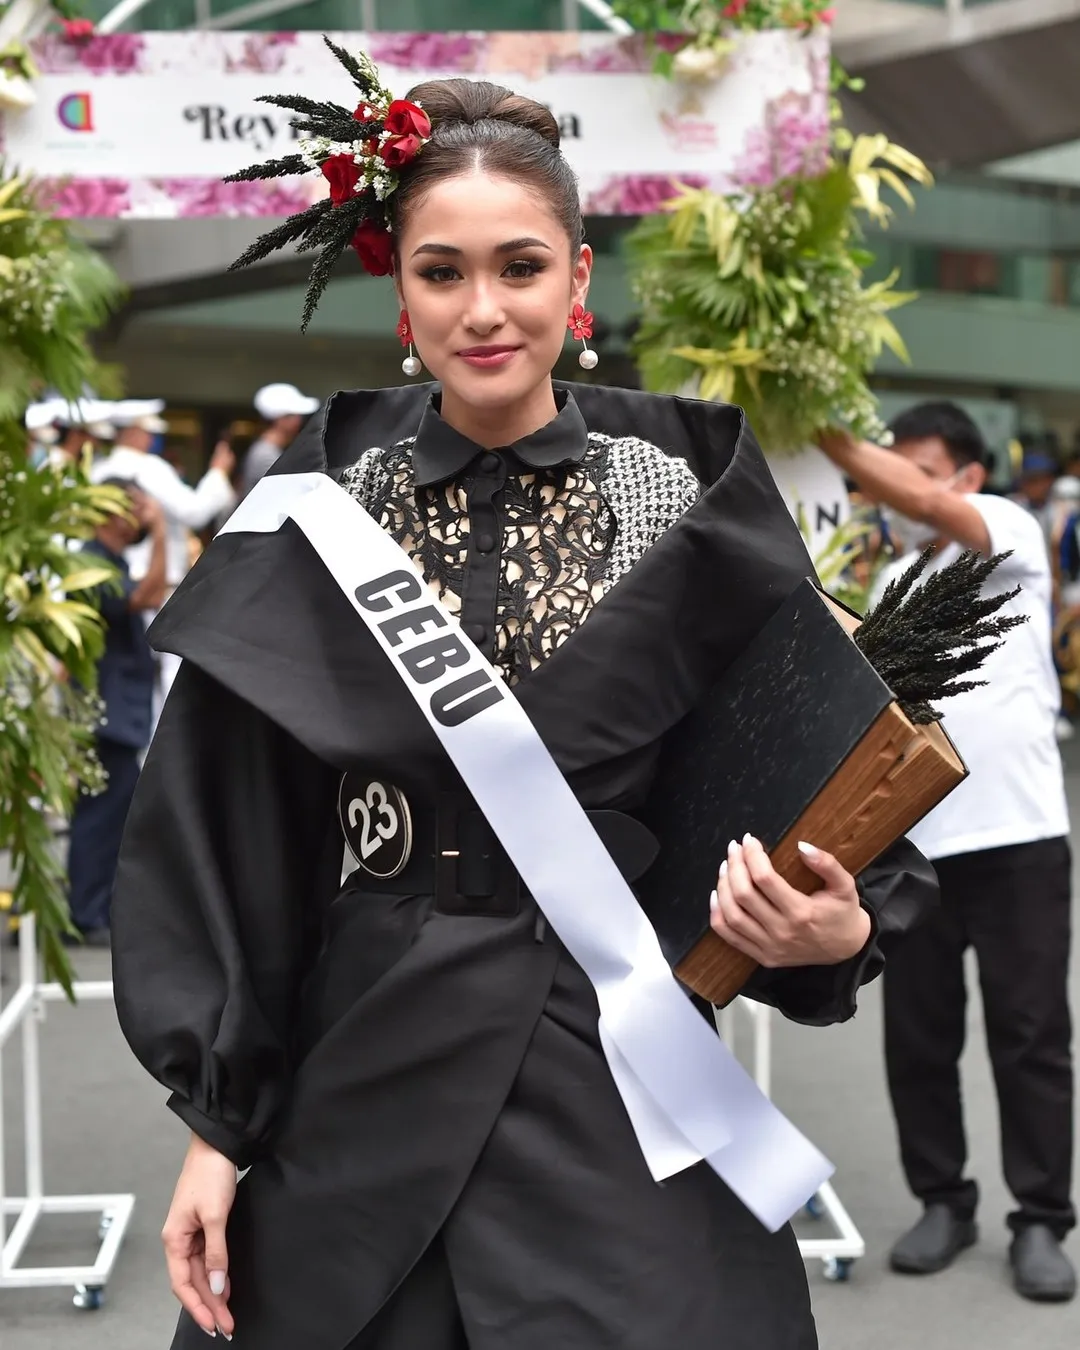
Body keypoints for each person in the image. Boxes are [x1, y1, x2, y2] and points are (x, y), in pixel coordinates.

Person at [111, 54, 937, 1350]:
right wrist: (219, 1127)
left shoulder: (682, 501)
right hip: (364, 1065)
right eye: (443, 271)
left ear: (578, 279)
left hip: (610, 1064)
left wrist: (833, 929)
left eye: (520, 266)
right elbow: (234, 826)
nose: (482, 309)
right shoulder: (326, 501)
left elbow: (802, 761)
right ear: (400, 288)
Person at [820, 401, 1075, 1302]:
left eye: (916, 471)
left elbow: (933, 509)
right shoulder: (891, 576)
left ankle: (1042, 1218)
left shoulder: (1001, 529)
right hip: (914, 848)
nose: (898, 491)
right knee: (917, 1038)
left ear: (966, 477)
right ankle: (944, 1199)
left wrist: (831, 439)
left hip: (1019, 839)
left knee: (1032, 1034)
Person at [67, 481, 166, 945]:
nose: (142, 516)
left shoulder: (105, 561)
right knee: (100, 816)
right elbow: (146, 596)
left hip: (111, 708)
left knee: (108, 813)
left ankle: (92, 909)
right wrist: (162, 530)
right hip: (102, 709)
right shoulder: (90, 562)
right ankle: (85, 914)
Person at [93, 400, 237, 721]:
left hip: (116, 582)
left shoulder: (98, 468)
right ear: (133, 432)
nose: (151, 440)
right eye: (148, 432)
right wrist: (217, 472)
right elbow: (195, 511)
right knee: (166, 669)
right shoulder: (149, 469)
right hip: (157, 583)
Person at [241, 382, 320, 495]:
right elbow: (291, 494)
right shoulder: (266, 455)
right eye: (293, 415)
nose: (299, 420)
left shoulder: (269, 450)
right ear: (280, 420)